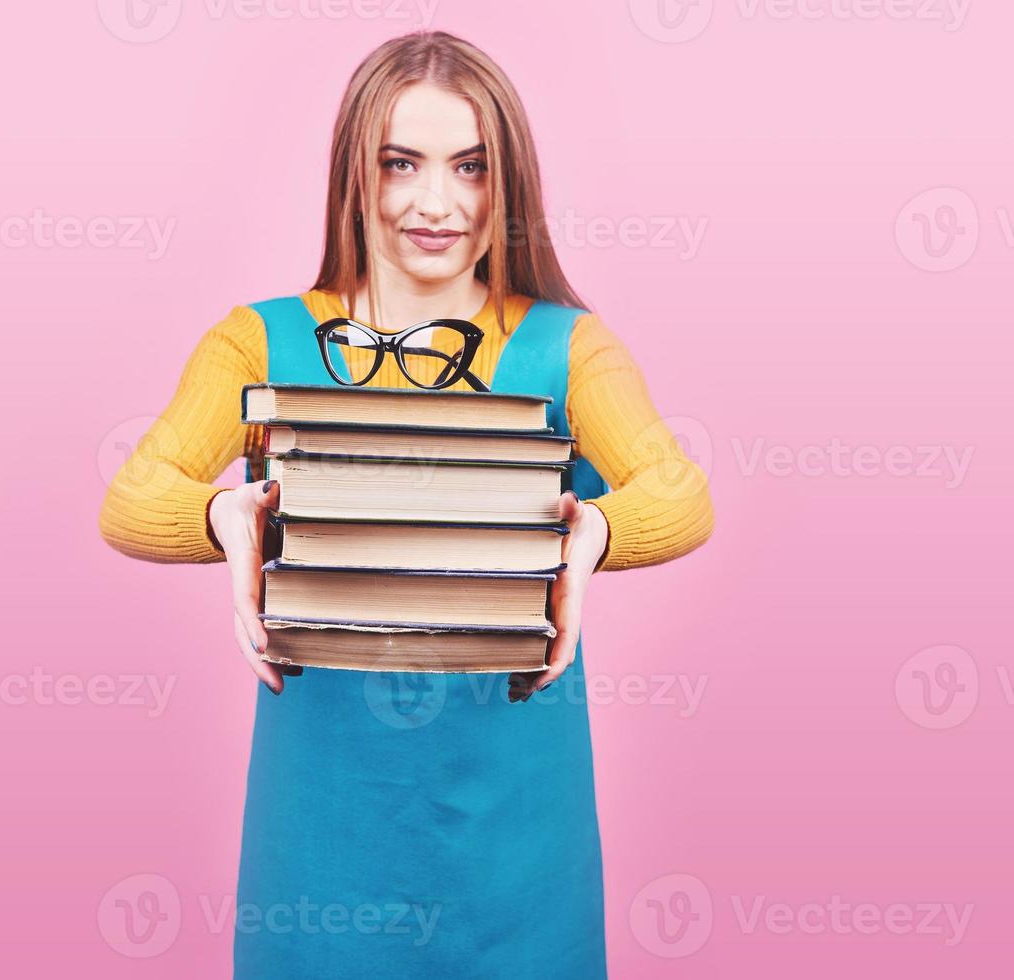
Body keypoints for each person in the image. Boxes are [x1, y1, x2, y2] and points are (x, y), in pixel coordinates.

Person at [99, 29, 713, 980]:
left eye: (469, 167)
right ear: (355, 173)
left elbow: (679, 497)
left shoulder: (566, 347)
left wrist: (589, 530)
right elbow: (134, 499)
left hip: (519, 826)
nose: (437, 203)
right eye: (401, 164)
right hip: (323, 825)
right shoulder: (258, 343)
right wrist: (226, 517)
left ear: (506, 183)